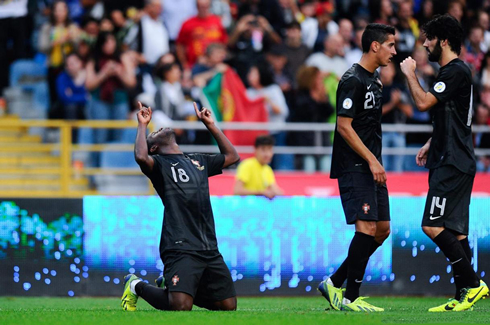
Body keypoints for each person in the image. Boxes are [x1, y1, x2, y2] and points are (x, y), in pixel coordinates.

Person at [400, 14, 489, 312]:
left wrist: (410, 73)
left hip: (452, 162)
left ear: (444, 41)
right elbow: (452, 116)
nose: (425, 45)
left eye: (429, 39)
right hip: (454, 156)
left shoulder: (454, 71)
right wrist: (430, 142)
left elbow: (424, 103)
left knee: (432, 224)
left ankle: (474, 285)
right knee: (457, 231)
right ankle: (463, 294)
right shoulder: (455, 73)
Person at [121, 101, 239, 311]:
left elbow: (233, 157)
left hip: (208, 245)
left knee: (227, 306)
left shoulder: (198, 160)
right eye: (154, 132)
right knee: (180, 306)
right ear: (154, 147)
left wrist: (210, 125)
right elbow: (140, 156)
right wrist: (142, 125)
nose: (159, 127)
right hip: (179, 245)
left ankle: (175, 287)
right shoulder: (159, 166)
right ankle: (136, 285)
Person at [318, 23, 397, 312]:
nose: (394, 51)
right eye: (390, 44)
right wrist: (372, 160)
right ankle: (351, 297)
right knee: (366, 227)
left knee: (382, 230)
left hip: (372, 164)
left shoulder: (376, 80)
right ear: (374, 46)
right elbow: (343, 126)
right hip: (355, 164)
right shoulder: (352, 79)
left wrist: (375, 160)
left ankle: (334, 282)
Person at [233, 135, 284, 199]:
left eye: (270, 150)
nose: (267, 154)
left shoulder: (268, 169)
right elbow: (237, 191)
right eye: (263, 150)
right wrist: (261, 192)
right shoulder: (247, 165)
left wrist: (277, 193)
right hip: (246, 207)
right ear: (256, 150)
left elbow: (276, 190)